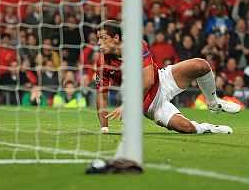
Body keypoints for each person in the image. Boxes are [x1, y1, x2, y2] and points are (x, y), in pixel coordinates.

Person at [94, 20, 240, 135]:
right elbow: (101, 94)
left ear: (116, 37)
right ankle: (207, 128)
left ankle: (213, 103)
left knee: (201, 65)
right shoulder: (102, 62)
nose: (99, 43)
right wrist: (104, 128)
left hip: (161, 79)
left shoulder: (136, 46)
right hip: (148, 102)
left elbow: (149, 80)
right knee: (185, 127)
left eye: (103, 38)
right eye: (98, 39)